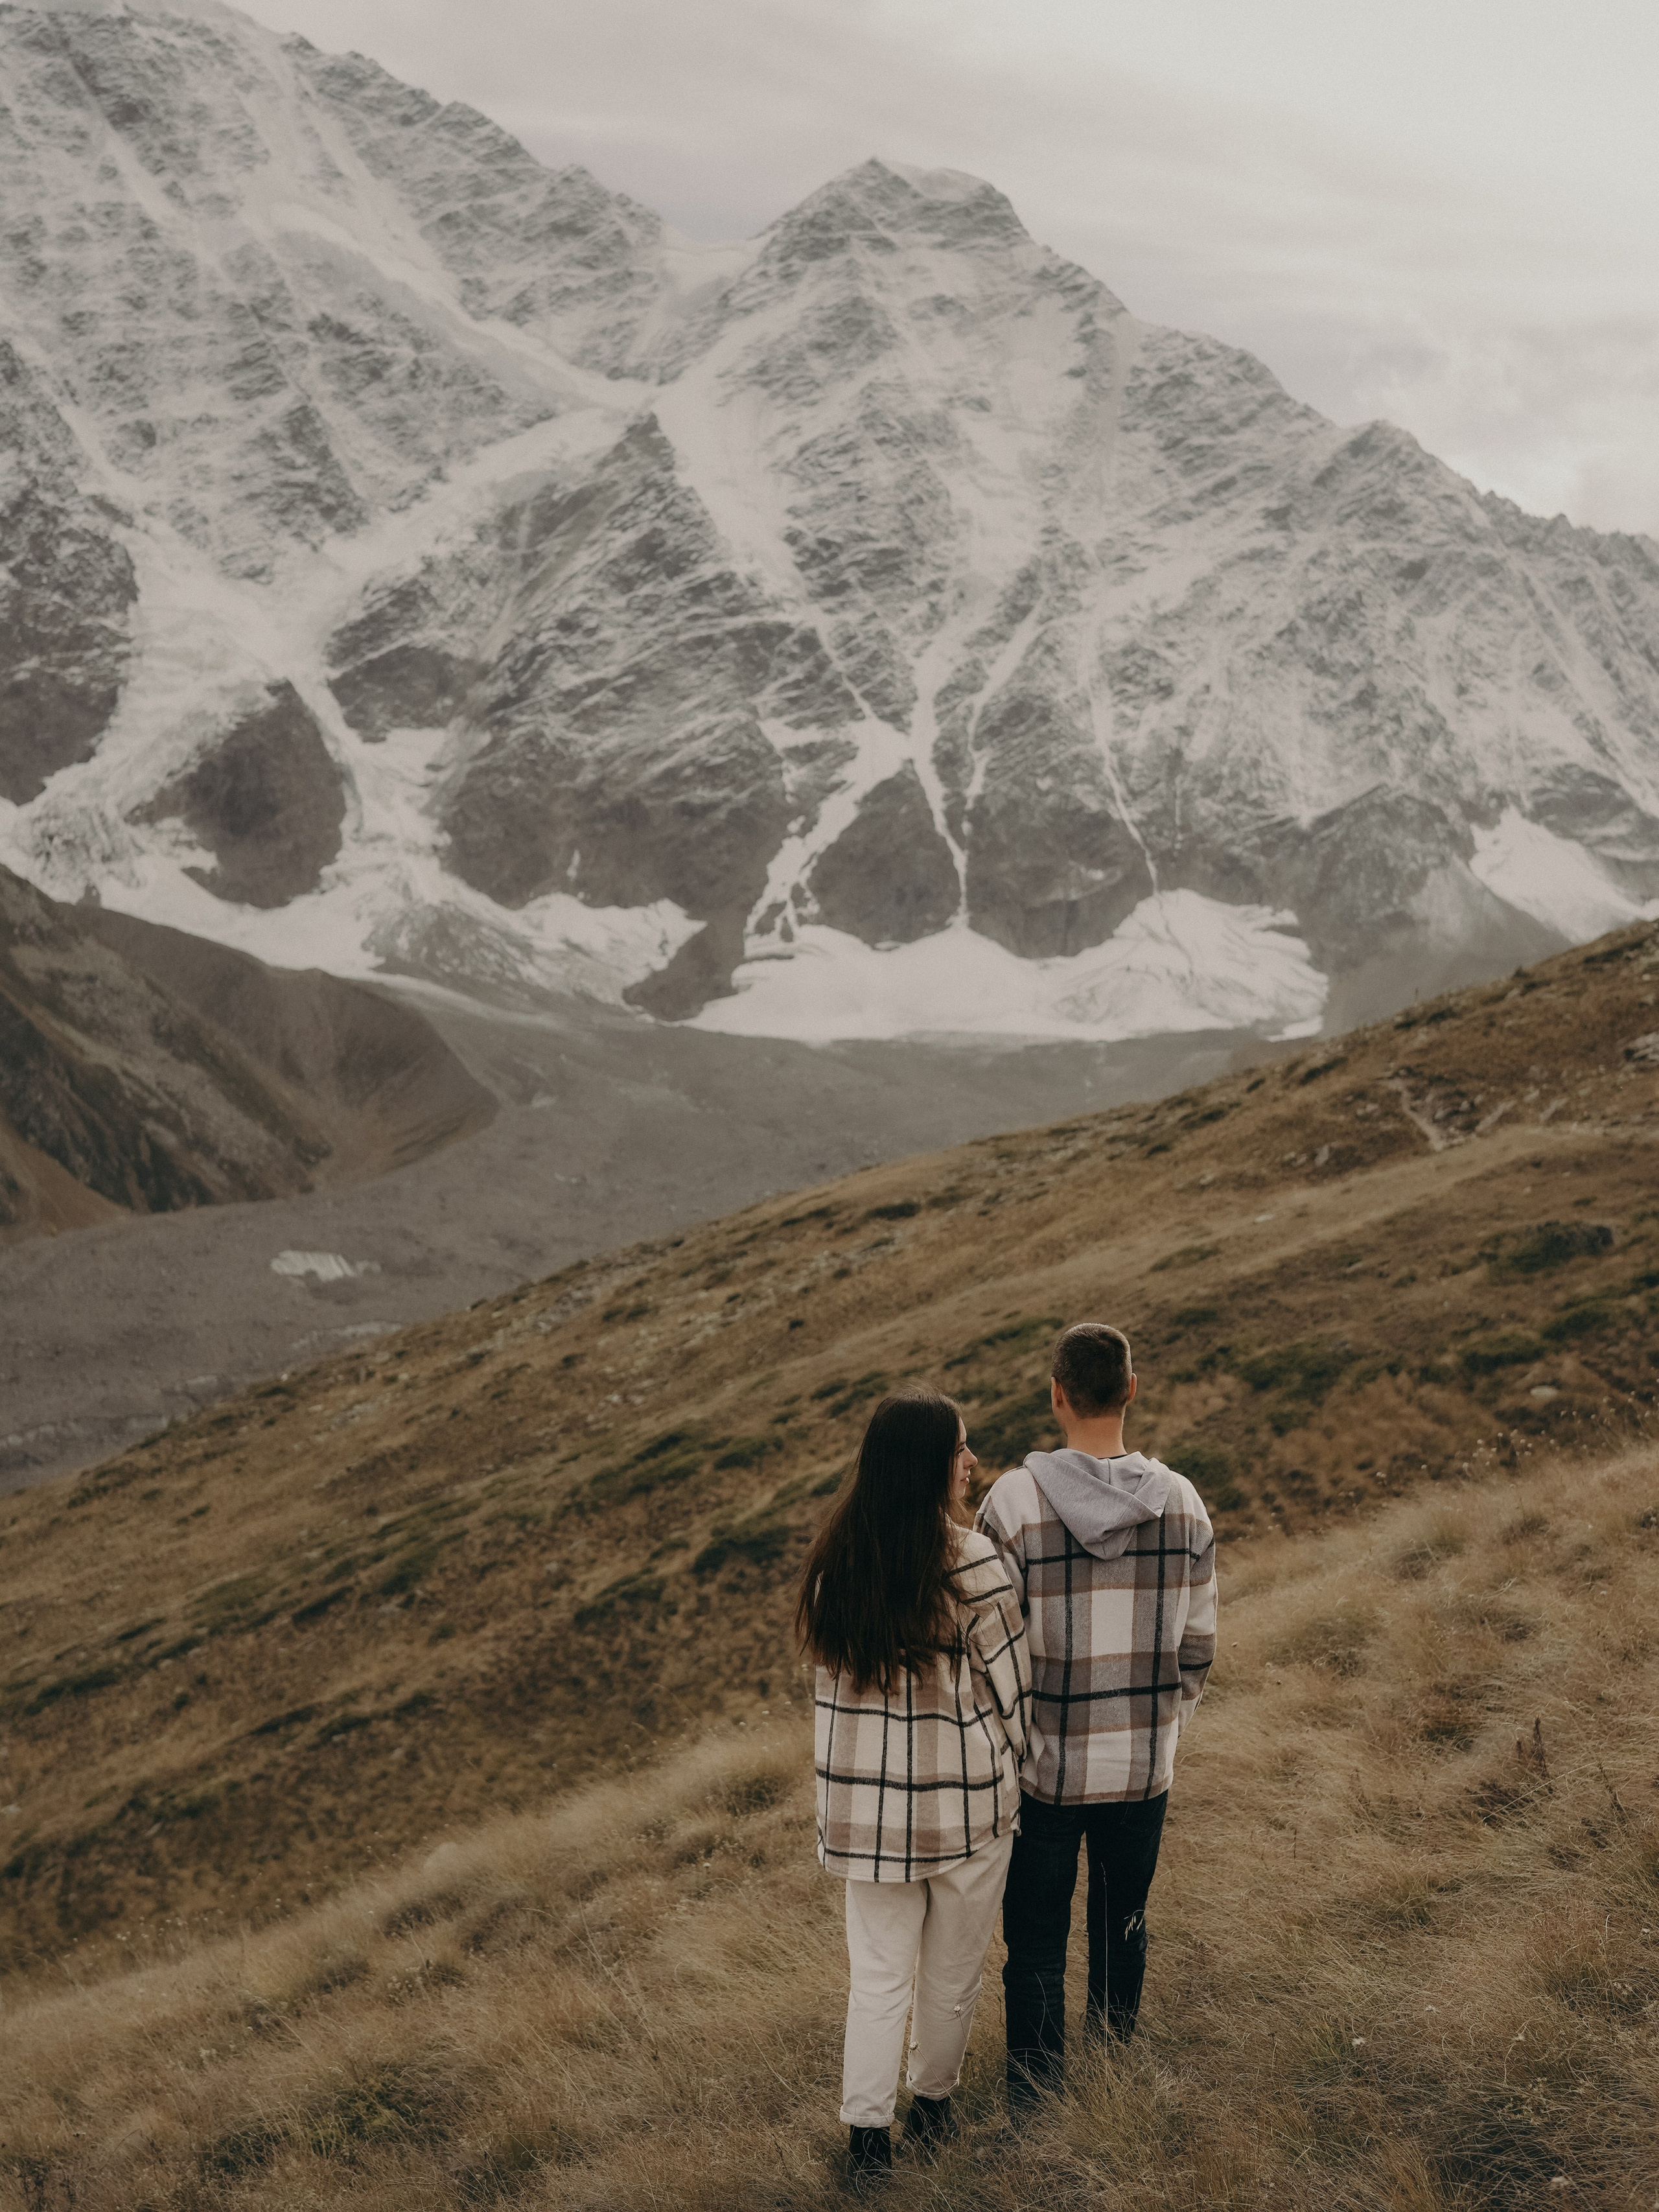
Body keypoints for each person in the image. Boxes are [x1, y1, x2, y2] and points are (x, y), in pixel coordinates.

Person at [976, 1322, 1216, 2110]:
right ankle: (1112, 2081)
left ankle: (1037, 2097)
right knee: (1122, 1927)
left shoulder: (1011, 1501)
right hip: (1143, 1766)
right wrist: (1160, 1722)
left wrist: (1016, 1744)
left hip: (1045, 1770)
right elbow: (1198, 1647)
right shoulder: (1181, 1499)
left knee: (1037, 1942)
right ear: (1131, 1389)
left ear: (1055, 1395)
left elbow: (991, 1652)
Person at [798, 1388, 1032, 2185]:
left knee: (878, 1978)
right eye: (961, 1448)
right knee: (950, 1972)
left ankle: (867, 2142)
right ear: (929, 1463)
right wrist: (1017, 1770)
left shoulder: (836, 1567)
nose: (971, 1461)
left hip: (865, 1818)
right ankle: (932, 2108)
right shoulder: (970, 1562)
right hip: (964, 1807)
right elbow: (1011, 1691)